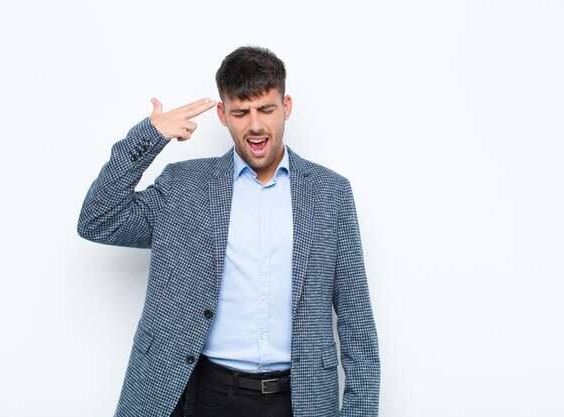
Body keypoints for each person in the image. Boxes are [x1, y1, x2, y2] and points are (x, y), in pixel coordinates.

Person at [77, 46, 380, 417]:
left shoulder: (330, 193)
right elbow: (98, 219)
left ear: (286, 107)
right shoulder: (184, 187)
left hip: (301, 400)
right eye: (241, 112)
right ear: (223, 114)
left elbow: (356, 319)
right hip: (208, 394)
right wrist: (148, 138)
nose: (255, 125)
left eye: (266, 110)